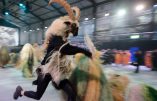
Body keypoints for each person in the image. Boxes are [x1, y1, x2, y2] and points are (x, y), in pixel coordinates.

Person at [13, 0, 92, 101]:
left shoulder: (62, 39)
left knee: (72, 94)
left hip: (56, 72)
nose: (73, 33)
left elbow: (67, 48)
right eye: (72, 29)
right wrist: (86, 51)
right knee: (37, 96)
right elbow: (67, 49)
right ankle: (20, 91)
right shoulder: (56, 39)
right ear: (67, 26)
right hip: (46, 71)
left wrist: (85, 51)